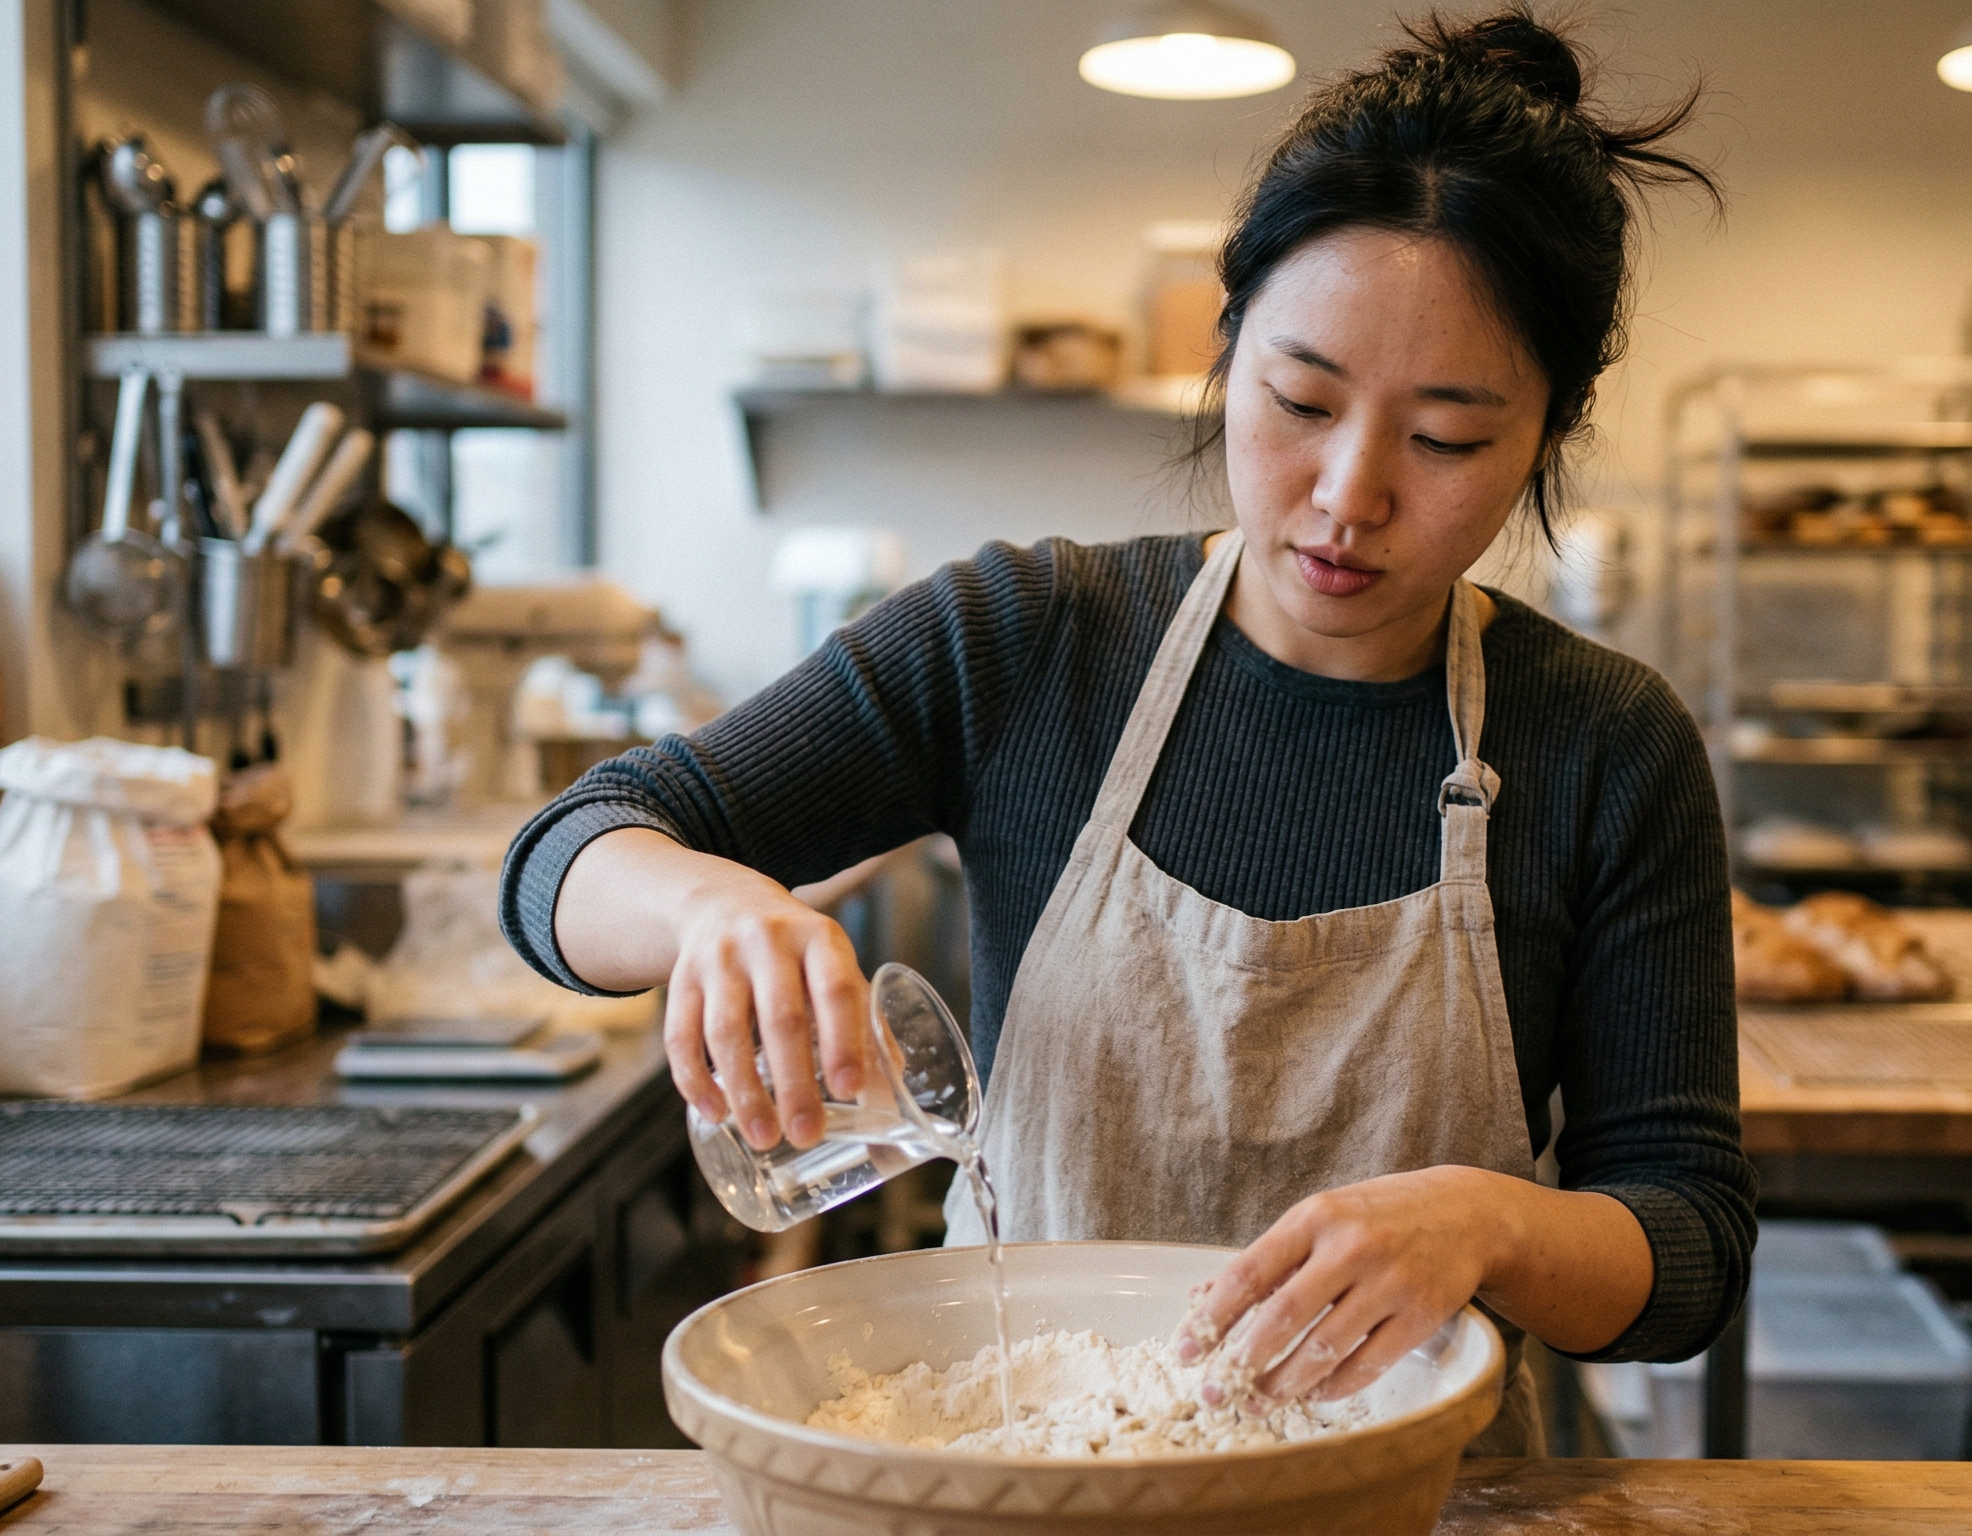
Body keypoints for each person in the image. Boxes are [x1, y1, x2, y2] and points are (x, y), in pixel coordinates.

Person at [503, 8, 1753, 1453]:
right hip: (1040, 1477)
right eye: (1299, 400)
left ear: (1549, 433)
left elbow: (1690, 1252)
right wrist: (711, 910)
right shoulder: (1028, 641)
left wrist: (1490, 1227)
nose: (1349, 493)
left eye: (1447, 439)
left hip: (1424, 1493)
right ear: (1229, 356)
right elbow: (561, 859)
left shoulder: (1604, 743)